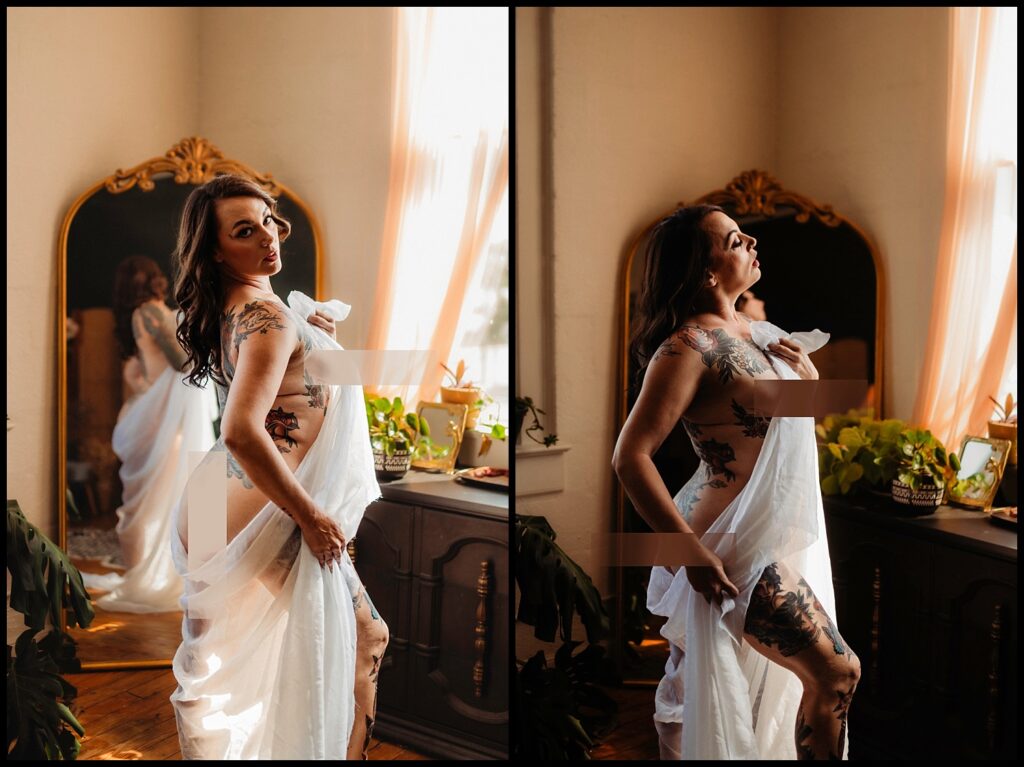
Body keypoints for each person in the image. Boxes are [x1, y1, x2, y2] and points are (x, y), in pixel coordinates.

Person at [612, 205, 860, 760]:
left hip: (767, 535)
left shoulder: (754, 330)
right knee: (837, 671)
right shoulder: (686, 348)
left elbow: (766, 432)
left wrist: (809, 383)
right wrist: (690, 553)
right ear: (706, 270)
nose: (750, 240)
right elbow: (631, 457)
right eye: (733, 238)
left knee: (791, 682)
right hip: (729, 545)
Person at [169, 174, 387, 760]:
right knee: (366, 635)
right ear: (216, 250)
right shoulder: (264, 318)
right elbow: (241, 429)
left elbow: (298, 399)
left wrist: (322, 345)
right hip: (250, 499)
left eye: (268, 221)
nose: (268, 238)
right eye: (245, 231)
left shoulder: (244, 311)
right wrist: (312, 516)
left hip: (215, 499)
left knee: (216, 659)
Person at [81, 256, 216, 613]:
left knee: (153, 499)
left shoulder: (142, 314)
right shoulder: (151, 313)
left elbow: (148, 367)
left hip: (156, 412)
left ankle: (151, 571)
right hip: (159, 420)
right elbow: (180, 362)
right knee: (153, 500)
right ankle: (145, 575)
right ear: (154, 280)